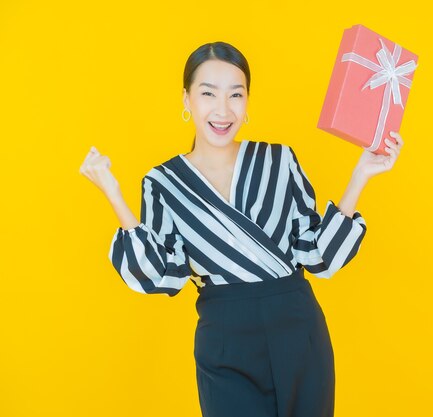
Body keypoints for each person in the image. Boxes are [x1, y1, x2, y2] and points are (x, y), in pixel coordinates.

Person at [79, 41, 403, 417]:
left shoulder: (279, 160)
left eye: (236, 94)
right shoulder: (162, 182)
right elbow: (161, 275)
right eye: (208, 94)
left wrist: (361, 174)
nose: (223, 109)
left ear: (248, 102)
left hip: (299, 329)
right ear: (186, 100)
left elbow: (318, 256)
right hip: (225, 339)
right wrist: (114, 194)